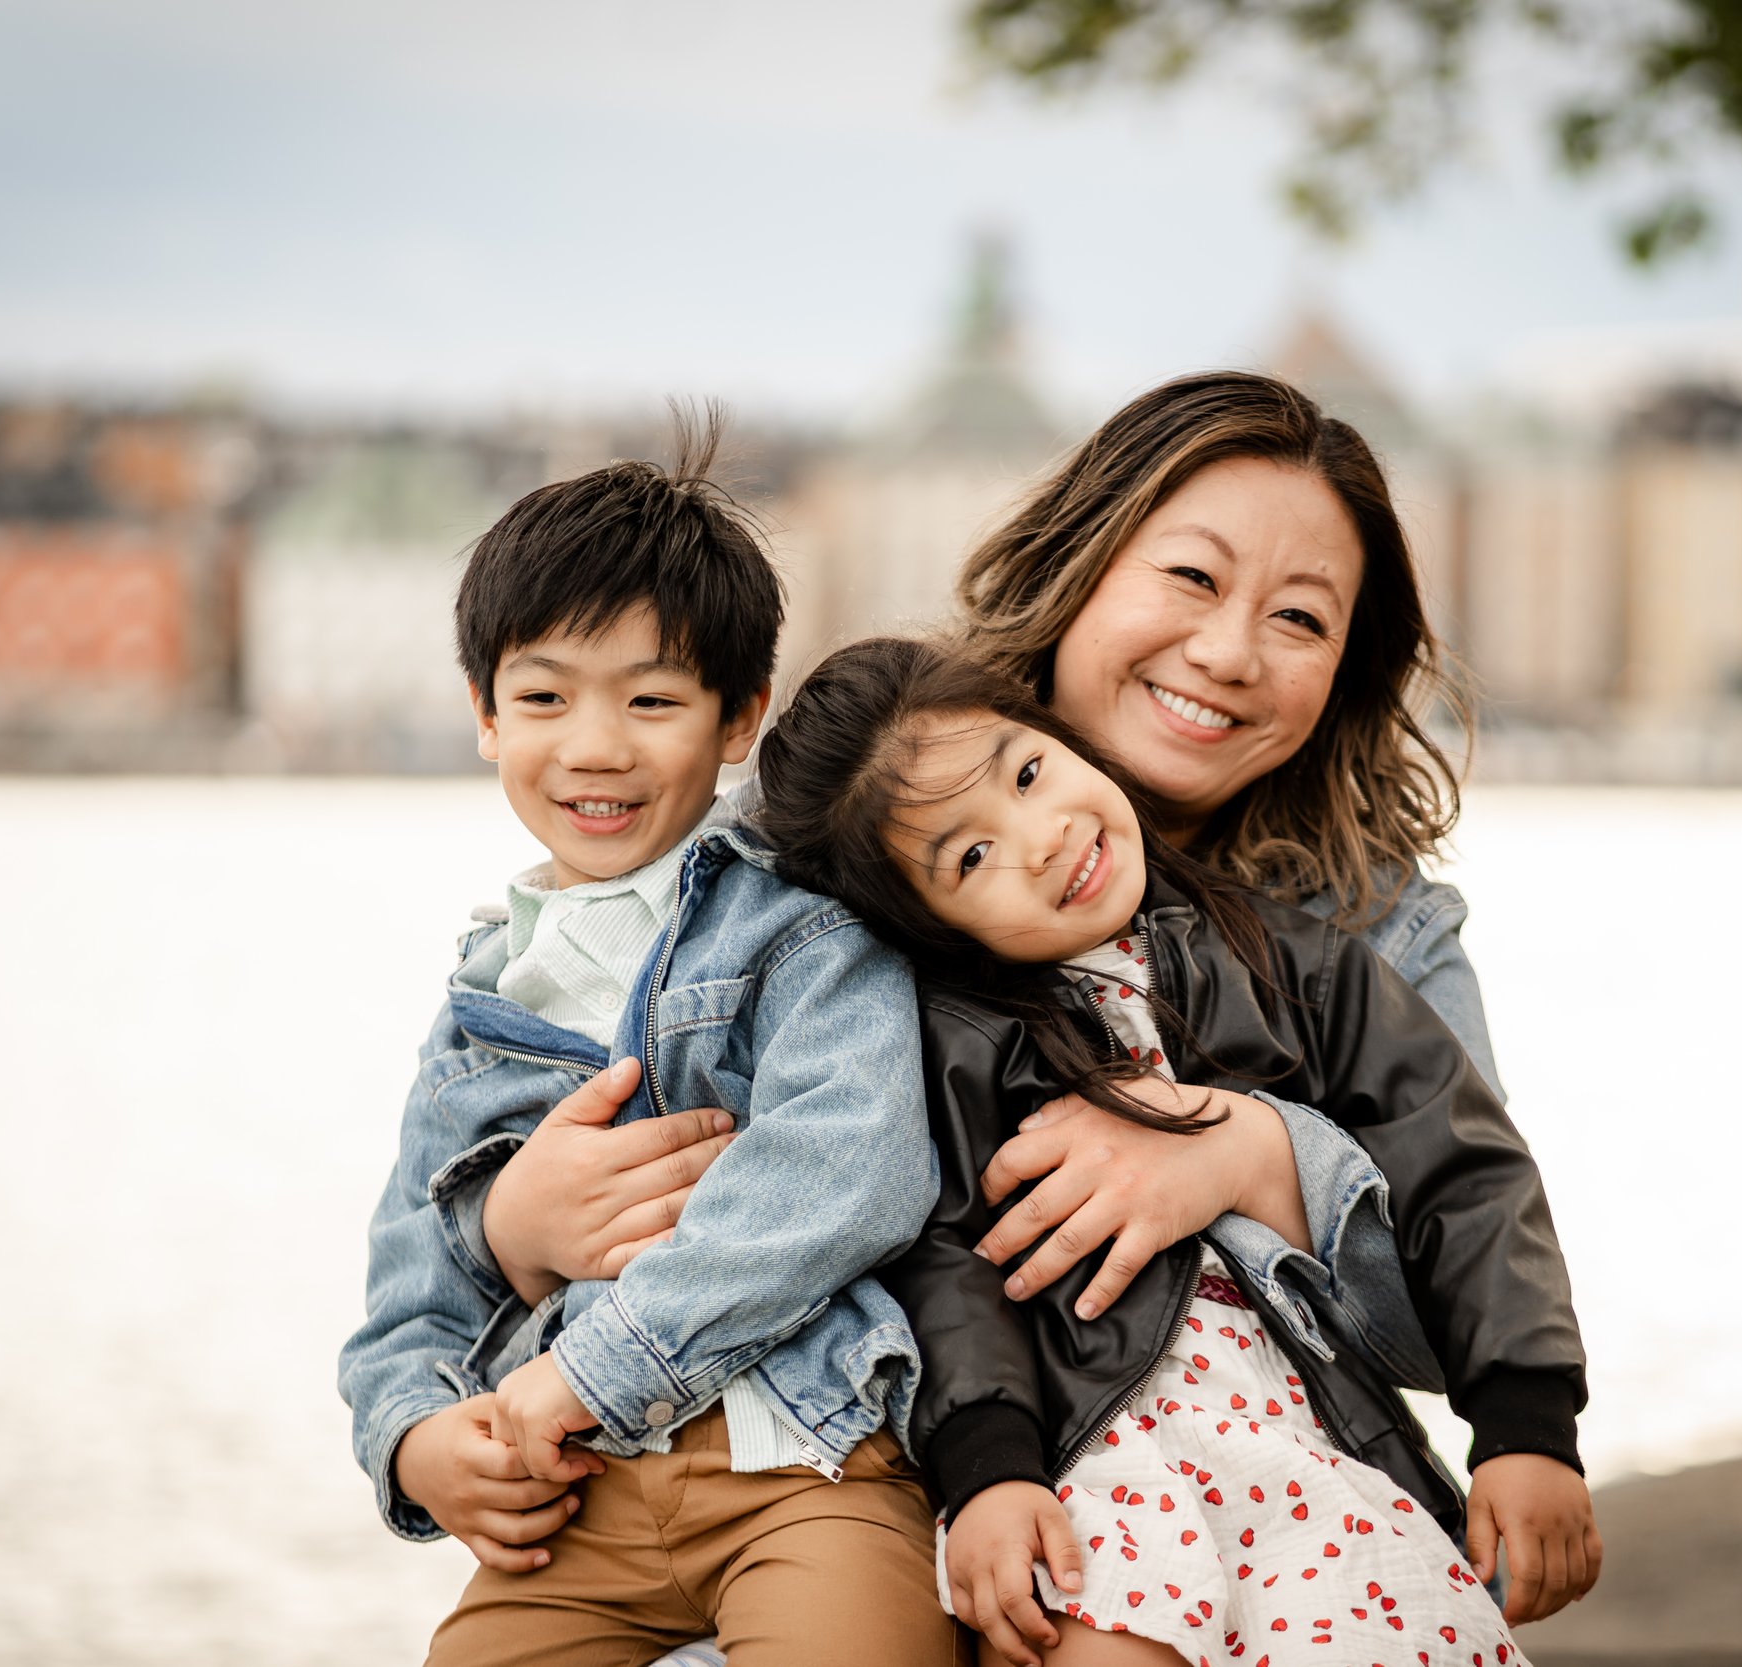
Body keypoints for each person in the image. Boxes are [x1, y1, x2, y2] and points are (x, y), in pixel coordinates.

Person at [475, 371, 1599, 1626]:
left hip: (1295, 1495)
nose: (1228, 652)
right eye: (1189, 578)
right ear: (1082, 564)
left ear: (1344, 667)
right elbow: (608, 1103)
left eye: (1300, 618)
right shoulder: (834, 848)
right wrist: (506, 1225)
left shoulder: (1368, 934)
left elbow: (1461, 1271)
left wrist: (1252, 1150)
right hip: (900, 1524)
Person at [750, 635, 1583, 1667]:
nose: (1041, 836)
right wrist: (990, 1468)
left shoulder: (1296, 965)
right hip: (1100, 1449)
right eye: (969, 856)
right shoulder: (956, 1047)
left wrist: (1524, 1420)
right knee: (1101, 1628)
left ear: (1061, 737)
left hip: (1308, 1434)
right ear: (927, 924)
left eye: (1025, 771)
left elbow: (1461, 1167)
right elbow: (950, 1260)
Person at [335, 422, 957, 1667]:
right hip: (580, 1509)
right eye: (545, 695)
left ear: (740, 720)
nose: (596, 744)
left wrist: (596, 1370)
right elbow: (409, 1288)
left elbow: (852, 1169)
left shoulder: (799, 928)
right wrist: (418, 1443)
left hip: (803, 1460)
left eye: (653, 699)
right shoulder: (480, 998)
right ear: (484, 714)